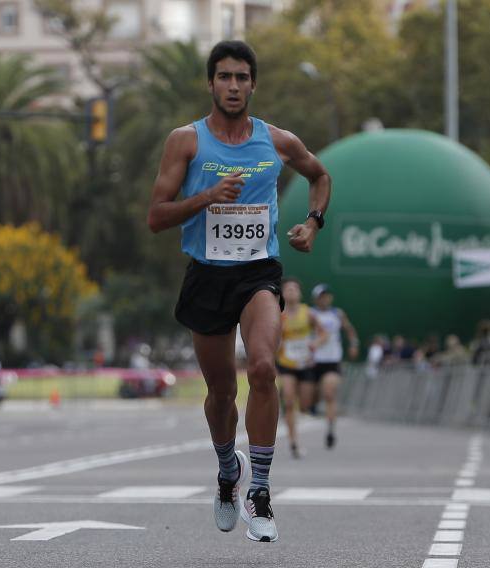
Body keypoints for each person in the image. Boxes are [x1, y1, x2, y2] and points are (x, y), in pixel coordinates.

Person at [146, 40, 331, 543]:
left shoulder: (276, 141)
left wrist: (312, 224)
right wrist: (206, 196)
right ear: (211, 83)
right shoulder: (185, 141)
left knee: (265, 367)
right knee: (222, 392)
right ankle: (230, 470)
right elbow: (155, 217)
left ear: (253, 84)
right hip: (207, 274)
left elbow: (319, 175)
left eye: (242, 77)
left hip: (258, 273)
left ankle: (261, 490)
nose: (233, 86)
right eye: (224, 77)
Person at [276, 278, 327, 459]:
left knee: (305, 404)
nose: (291, 292)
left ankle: (303, 410)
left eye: (294, 289)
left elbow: (323, 334)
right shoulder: (279, 314)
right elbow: (273, 338)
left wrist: (315, 343)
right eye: (287, 289)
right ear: (282, 294)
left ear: (299, 293)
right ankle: (293, 442)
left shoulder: (308, 313)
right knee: (289, 402)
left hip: (305, 363)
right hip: (287, 363)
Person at [310, 283, 360, 449]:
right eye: (321, 296)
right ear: (315, 298)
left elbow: (349, 329)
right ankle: (312, 406)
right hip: (312, 360)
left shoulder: (337, 314)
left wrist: (353, 344)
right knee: (310, 399)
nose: (325, 299)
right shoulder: (310, 314)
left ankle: (330, 430)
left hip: (332, 360)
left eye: (327, 295)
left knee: (330, 394)